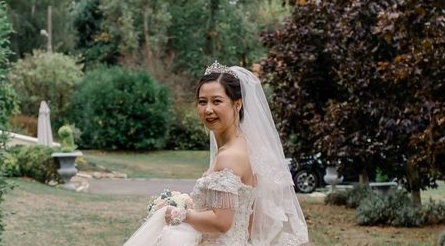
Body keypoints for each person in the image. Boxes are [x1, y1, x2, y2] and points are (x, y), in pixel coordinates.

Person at [123, 62, 308, 246]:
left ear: (237, 104)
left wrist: (178, 213)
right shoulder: (245, 146)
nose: (208, 109)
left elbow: (221, 222)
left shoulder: (230, 156)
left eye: (217, 101)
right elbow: (249, 217)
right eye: (202, 102)